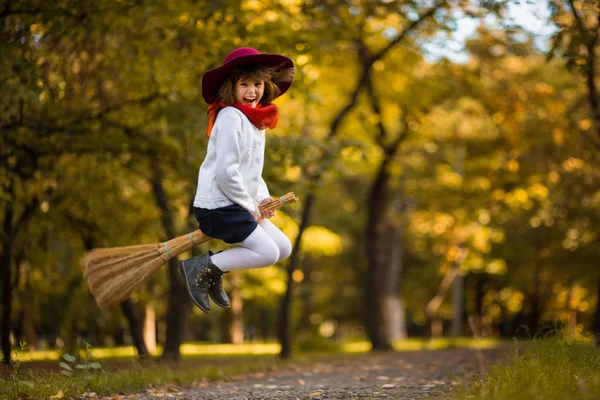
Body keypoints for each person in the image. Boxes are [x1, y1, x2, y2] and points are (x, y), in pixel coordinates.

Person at [179, 48, 295, 313]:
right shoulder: (231, 116)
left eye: (257, 84)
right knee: (268, 253)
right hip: (218, 206)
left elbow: (252, 171)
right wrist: (249, 205)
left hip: (238, 203)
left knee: (283, 248)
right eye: (244, 84)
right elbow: (226, 171)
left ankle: (214, 269)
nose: (252, 91)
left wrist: (262, 198)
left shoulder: (256, 122)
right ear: (232, 87)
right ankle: (201, 268)